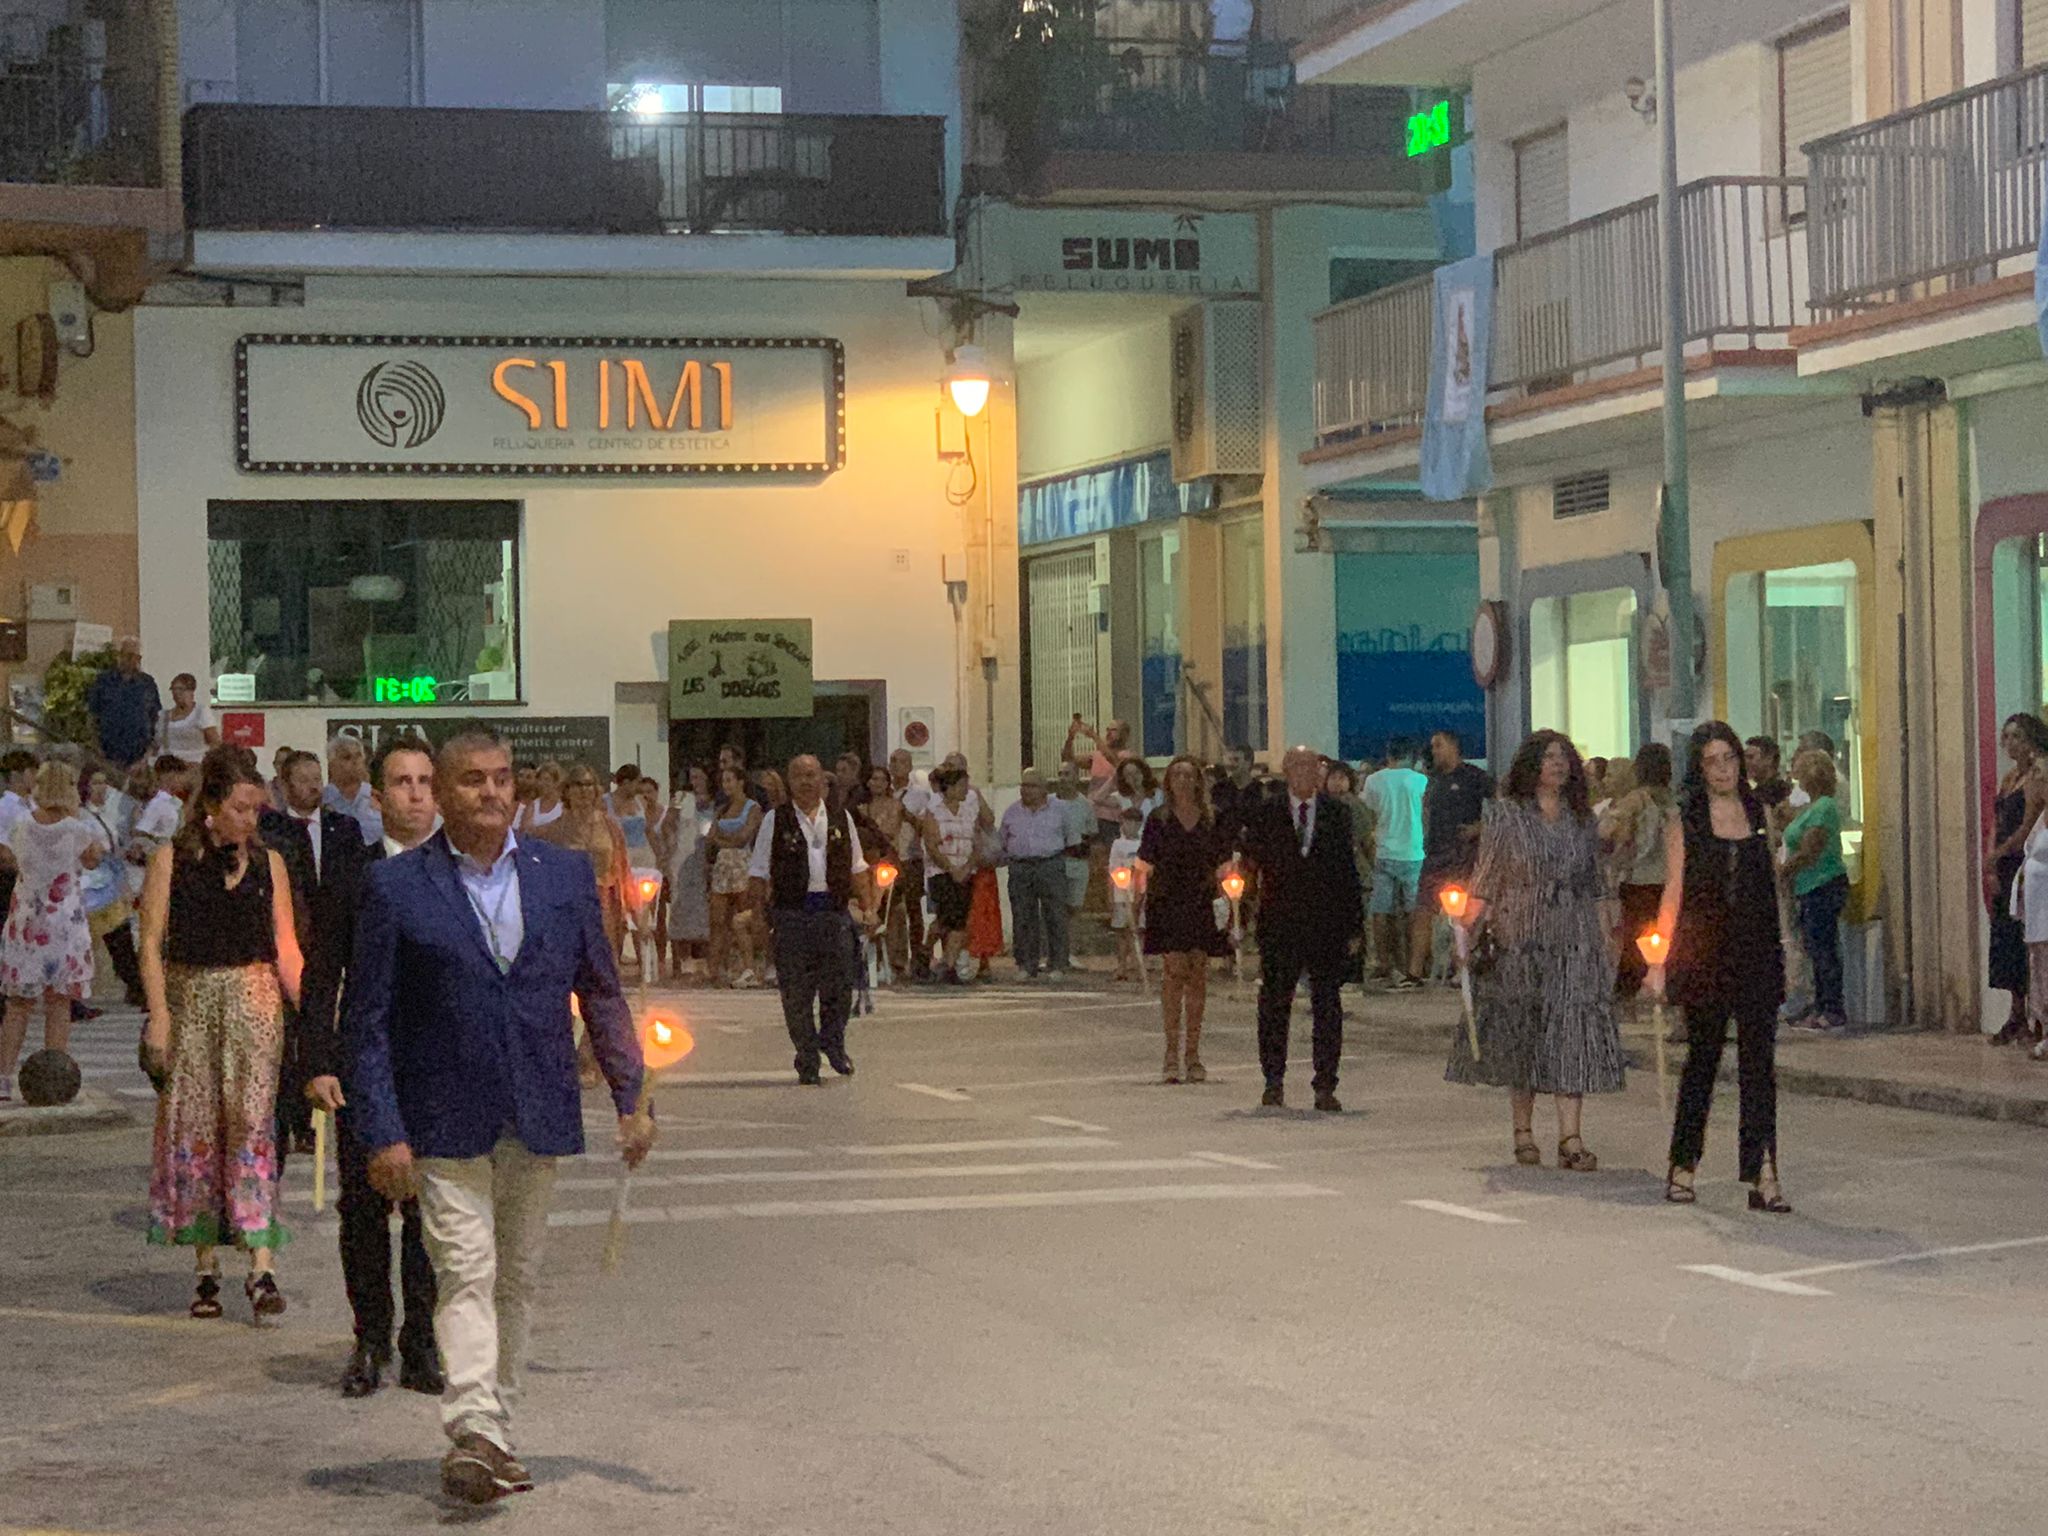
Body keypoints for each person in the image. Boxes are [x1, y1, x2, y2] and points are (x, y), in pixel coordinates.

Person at [342, 729, 652, 1505]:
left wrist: (631, 1094)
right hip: (442, 1117)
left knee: (516, 1277)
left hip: (536, 1105)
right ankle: (473, 1425)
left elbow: (602, 991)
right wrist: (382, 1131)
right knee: (466, 1269)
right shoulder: (397, 887)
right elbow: (368, 1023)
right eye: (474, 781)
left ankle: (496, 1432)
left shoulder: (564, 875)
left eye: (503, 779)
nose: (492, 793)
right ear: (442, 795)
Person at [297, 735, 443, 1399]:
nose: (416, 793)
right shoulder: (353, 874)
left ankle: (421, 1344)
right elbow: (322, 971)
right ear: (378, 799)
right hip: (365, 1063)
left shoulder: (456, 870)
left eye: (424, 781)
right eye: (403, 783)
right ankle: (370, 1338)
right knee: (363, 1212)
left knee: (430, 1215)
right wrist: (319, 1061)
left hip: (437, 1067)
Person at [140, 746, 304, 1317]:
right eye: (240, 808)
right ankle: (206, 1262)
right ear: (210, 806)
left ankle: (262, 1262)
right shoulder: (171, 860)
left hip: (254, 1000)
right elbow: (152, 946)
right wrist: (159, 1016)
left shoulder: (269, 864)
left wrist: (310, 1010)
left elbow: (285, 946)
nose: (250, 820)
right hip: (192, 997)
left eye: (256, 809)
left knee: (253, 1123)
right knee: (196, 1126)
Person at [1446, 730, 1624, 1169]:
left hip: (1573, 935)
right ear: (1530, 765)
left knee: (1571, 1032)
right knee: (1523, 1033)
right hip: (1519, 936)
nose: (1558, 764)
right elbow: (1486, 881)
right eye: (1548, 757)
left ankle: (1571, 1137)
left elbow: (1595, 883)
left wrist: (1608, 937)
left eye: (1564, 757)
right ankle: (1523, 1132)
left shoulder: (1581, 819)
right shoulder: (1506, 816)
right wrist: (1467, 931)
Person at [1656, 722, 1790, 1212]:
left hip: (1756, 948)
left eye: (1729, 759)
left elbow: (1773, 886)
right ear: (1698, 767)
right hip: (1704, 949)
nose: (1722, 769)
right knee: (1703, 1062)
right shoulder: (1686, 817)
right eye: (1711, 761)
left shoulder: (1760, 812)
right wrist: (1659, 958)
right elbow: (1674, 888)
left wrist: (1786, 945)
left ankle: (1763, 1171)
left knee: (1760, 1065)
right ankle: (1683, 1164)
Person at [1241, 745, 1364, 1112]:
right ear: (1287, 773)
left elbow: (1347, 871)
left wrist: (1354, 925)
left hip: (1325, 924)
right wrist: (1245, 912)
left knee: (1327, 1004)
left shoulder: (1336, 814)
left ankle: (1325, 1083)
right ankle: (1273, 1080)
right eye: (1300, 768)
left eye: (1314, 768)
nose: (1308, 775)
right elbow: (1253, 866)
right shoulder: (1268, 813)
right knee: (1275, 1003)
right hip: (1280, 922)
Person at [260, 747, 368, 1157]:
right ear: (285, 786)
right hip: (291, 939)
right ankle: (290, 1118)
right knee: (290, 1041)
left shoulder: (345, 828)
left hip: (332, 943)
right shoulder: (273, 829)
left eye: (316, 777)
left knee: (323, 1033)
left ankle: (315, 1119)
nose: (312, 786)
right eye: (302, 779)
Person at [748, 754, 873, 1084]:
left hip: (833, 915)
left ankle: (833, 1044)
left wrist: (868, 905)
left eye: (812, 775)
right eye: (799, 776)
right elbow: (758, 873)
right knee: (797, 994)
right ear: (790, 782)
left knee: (839, 989)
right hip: (792, 916)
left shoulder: (840, 817)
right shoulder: (776, 820)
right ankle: (807, 1056)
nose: (806, 782)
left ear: (823, 781)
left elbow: (857, 867)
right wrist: (760, 918)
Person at [0, 761, 104, 1100]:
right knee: (59, 1004)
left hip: (26, 921)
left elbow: (9, 856)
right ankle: (54, 1080)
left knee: (18, 1006)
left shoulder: (20, 824)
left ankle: (2, 1078)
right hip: (64, 923)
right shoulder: (79, 829)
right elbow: (93, 859)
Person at [1136, 755, 1233, 1084]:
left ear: (1196, 781)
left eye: (1187, 775)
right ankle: (1170, 1050)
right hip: (1167, 900)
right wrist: (1135, 901)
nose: (1181, 780)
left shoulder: (1211, 819)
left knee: (1198, 972)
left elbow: (1224, 863)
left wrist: (1231, 903)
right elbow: (1144, 863)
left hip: (1201, 899)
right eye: (1175, 774)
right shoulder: (1158, 819)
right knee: (1173, 970)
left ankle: (1193, 1052)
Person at [1988, 714, 2048, 1044]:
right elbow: (1998, 820)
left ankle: (2032, 1018)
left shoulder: (2036, 778)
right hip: (2004, 861)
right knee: (2004, 939)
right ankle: (2015, 1010)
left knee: (2027, 940)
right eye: (2005, 736)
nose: (2009, 743)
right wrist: (1991, 855)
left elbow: (2028, 825)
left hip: (2022, 860)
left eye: (2016, 736)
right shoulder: (2010, 778)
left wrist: (2001, 853)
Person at [1782, 748, 1851, 1034]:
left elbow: (1812, 848)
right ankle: (1820, 1004)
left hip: (1823, 883)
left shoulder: (1824, 808)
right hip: (1808, 885)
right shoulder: (1810, 807)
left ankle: (1832, 1008)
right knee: (1814, 946)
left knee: (1823, 947)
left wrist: (1785, 870)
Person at [1601, 741, 1675, 1000]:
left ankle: (1628, 992)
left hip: (1639, 877)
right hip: (1669, 879)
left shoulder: (1637, 798)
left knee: (1635, 938)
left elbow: (1610, 832)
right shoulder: (1673, 799)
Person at [1417, 731, 1492, 984]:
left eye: (1438, 745)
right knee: (1423, 907)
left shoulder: (1475, 778)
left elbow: (1499, 811)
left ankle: (1463, 967)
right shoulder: (1433, 781)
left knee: (1464, 913)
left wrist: (1476, 829)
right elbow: (1427, 812)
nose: (1434, 751)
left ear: (1453, 747)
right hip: (1435, 854)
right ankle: (1414, 973)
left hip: (1463, 856)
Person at [535, 764, 630, 960]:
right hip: (568, 906)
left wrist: (637, 912)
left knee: (605, 965)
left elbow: (623, 869)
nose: (583, 790)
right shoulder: (554, 830)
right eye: (577, 785)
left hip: (603, 905)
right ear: (567, 791)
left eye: (588, 784)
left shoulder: (610, 826)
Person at [1363, 739, 1428, 988]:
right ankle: (1413, 965)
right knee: (1414, 912)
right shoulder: (1420, 781)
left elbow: (1370, 813)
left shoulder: (1374, 780)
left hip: (1384, 851)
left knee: (1381, 911)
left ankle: (1383, 962)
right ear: (1410, 756)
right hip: (1414, 852)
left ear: (1388, 755)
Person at [80, 764, 147, 1008]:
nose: (101, 788)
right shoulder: (82, 815)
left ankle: (135, 984)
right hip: (93, 882)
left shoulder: (107, 814)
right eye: (95, 782)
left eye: (103, 782)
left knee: (120, 936)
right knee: (114, 936)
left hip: (109, 878)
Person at [1001, 767, 1071, 980]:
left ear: (1044, 788)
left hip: (1050, 864)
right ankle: (1026, 964)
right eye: (1024, 785)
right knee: (1023, 916)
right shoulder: (1012, 811)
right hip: (1021, 867)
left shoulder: (1060, 809)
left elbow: (1071, 837)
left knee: (1055, 915)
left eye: (1031, 785)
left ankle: (1057, 964)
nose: (1026, 790)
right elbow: (1003, 839)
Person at [705, 766, 764, 987]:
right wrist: (725, 841)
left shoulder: (752, 808)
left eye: (730, 780)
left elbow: (744, 836)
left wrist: (722, 839)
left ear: (740, 782)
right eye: (724, 781)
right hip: (723, 866)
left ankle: (748, 966)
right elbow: (711, 837)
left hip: (741, 864)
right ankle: (715, 969)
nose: (726, 785)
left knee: (742, 917)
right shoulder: (722, 809)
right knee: (717, 920)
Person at [920, 764, 978, 983]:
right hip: (941, 872)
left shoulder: (969, 811)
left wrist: (967, 866)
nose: (966, 789)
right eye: (962, 785)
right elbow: (932, 845)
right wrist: (951, 868)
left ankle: (949, 965)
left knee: (959, 920)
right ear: (950, 787)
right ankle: (926, 952)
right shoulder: (934, 812)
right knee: (946, 918)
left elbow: (976, 842)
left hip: (965, 871)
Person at [1323, 761, 1374, 978]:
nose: (1337, 782)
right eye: (1333, 777)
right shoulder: (1321, 805)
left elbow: (1366, 841)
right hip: (1328, 875)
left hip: (1355, 872)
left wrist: (1370, 868)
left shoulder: (1355, 806)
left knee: (1354, 923)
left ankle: (1353, 971)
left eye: (1342, 778)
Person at [885, 750, 932, 981]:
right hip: (889, 858)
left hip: (911, 856)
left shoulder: (919, 795)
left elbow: (925, 826)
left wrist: (906, 814)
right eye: (893, 761)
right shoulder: (884, 792)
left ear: (910, 766)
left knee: (913, 909)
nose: (896, 765)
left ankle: (918, 958)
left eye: (901, 761)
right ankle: (894, 959)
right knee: (890, 909)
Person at [610, 772, 662, 976]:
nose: (639, 788)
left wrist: (659, 856)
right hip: (622, 856)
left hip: (644, 855)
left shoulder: (641, 802)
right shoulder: (608, 801)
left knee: (643, 910)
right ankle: (616, 961)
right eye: (636, 782)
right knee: (621, 911)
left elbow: (648, 830)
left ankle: (646, 965)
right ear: (625, 782)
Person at [664, 766, 712, 983]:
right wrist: (670, 845)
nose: (696, 780)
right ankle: (680, 961)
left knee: (703, 908)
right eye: (692, 777)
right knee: (680, 906)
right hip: (682, 857)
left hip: (703, 856)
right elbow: (668, 823)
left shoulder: (715, 802)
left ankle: (702, 963)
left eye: (699, 776)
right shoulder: (681, 797)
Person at [86, 636, 160, 771]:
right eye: (129, 656)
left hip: (139, 757)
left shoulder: (147, 683)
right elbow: (92, 717)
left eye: (137, 657)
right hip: (108, 755)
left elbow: (155, 719)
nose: (133, 661)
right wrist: (97, 750)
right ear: (120, 655)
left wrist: (147, 755)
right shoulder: (103, 682)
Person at [1107, 807, 1145, 983]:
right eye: (1126, 822)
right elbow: (1112, 870)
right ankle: (1121, 965)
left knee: (1139, 930)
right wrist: (1111, 896)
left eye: (1134, 822)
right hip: (1122, 893)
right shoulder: (1118, 845)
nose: (1130, 826)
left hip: (1140, 893)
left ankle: (1139, 966)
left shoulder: (1144, 843)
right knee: (1122, 931)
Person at [323, 735, 383, 847]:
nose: (355, 762)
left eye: (358, 756)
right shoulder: (321, 802)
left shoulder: (380, 799)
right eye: (347, 757)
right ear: (332, 764)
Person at [1054, 761, 1095, 922]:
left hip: (1077, 865)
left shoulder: (1085, 805)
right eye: (1060, 774)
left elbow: (1091, 833)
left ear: (1076, 777)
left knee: (1074, 910)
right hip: (1055, 865)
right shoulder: (1049, 803)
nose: (1063, 778)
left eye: (1067, 774)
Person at [158, 673, 220, 762]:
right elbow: (157, 743)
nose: (177, 693)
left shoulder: (201, 712)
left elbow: (214, 741)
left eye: (181, 689)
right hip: (168, 763)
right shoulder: (163, 716)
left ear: (191, 691)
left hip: (194, 763)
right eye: (174, 689)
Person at [516, 760, 565, 834]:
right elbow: (525, 831)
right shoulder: (532, 805)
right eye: (540, 780)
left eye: (547, 780)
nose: (543, 783)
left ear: (556, 783)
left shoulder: (563, 807)